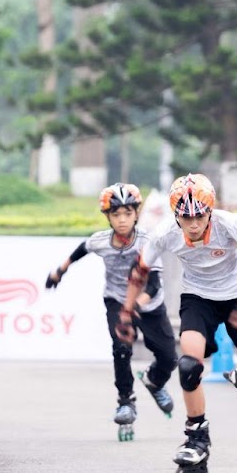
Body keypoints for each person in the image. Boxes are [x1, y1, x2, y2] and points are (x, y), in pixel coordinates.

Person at [118, 173, 237, 473]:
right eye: (185, 217)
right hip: (198, 298)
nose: (193, 224)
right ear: (175, 215)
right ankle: (196, 436)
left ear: (210, 211)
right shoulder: (164, 232)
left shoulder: (231, 224)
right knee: (189, 366)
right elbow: (140, 270)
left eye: (199, 216)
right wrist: (126, 313)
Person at [46, 183, 178, 440]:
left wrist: (135, 308)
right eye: (116, 215)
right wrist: (59, 271)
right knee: (121, 347)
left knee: (168, 357)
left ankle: (154, 380)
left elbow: (153, 284)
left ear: (137, 214)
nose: (122, 220)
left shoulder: (148, 242)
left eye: (127, 214)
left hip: (149, 304)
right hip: (116, 299)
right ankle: (125, 401)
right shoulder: (101, 241)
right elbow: (82, 249)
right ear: (107, 216)